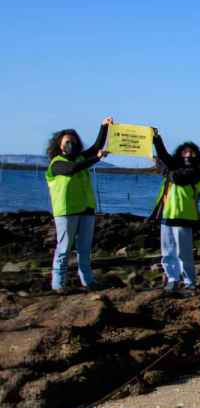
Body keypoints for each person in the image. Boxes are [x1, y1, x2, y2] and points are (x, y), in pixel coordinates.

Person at [44, 117, 112, 292]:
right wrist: (96, 159)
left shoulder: (81, 157)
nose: (71, 144)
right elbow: (71, 169)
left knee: (84, 249)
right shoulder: (56, 163)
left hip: (86, 209)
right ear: (60, 145)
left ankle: (88, 281)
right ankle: (58, 284)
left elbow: (97, 147)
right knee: (64, 248)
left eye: (74, 141)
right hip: (66, 211)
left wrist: (103, 127)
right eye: (67, 141)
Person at [151, 130, 200, 292]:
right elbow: (164, 156)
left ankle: (190, 282)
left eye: (191, 152)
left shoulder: (198, 171)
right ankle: (172, 279)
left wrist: (163, 168)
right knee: (168, 252)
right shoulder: (175, 166)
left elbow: (178, 178)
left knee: (184, 253)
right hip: (167, 214)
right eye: (185, 151)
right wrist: (156, 139)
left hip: (184, 215)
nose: (188, 154)